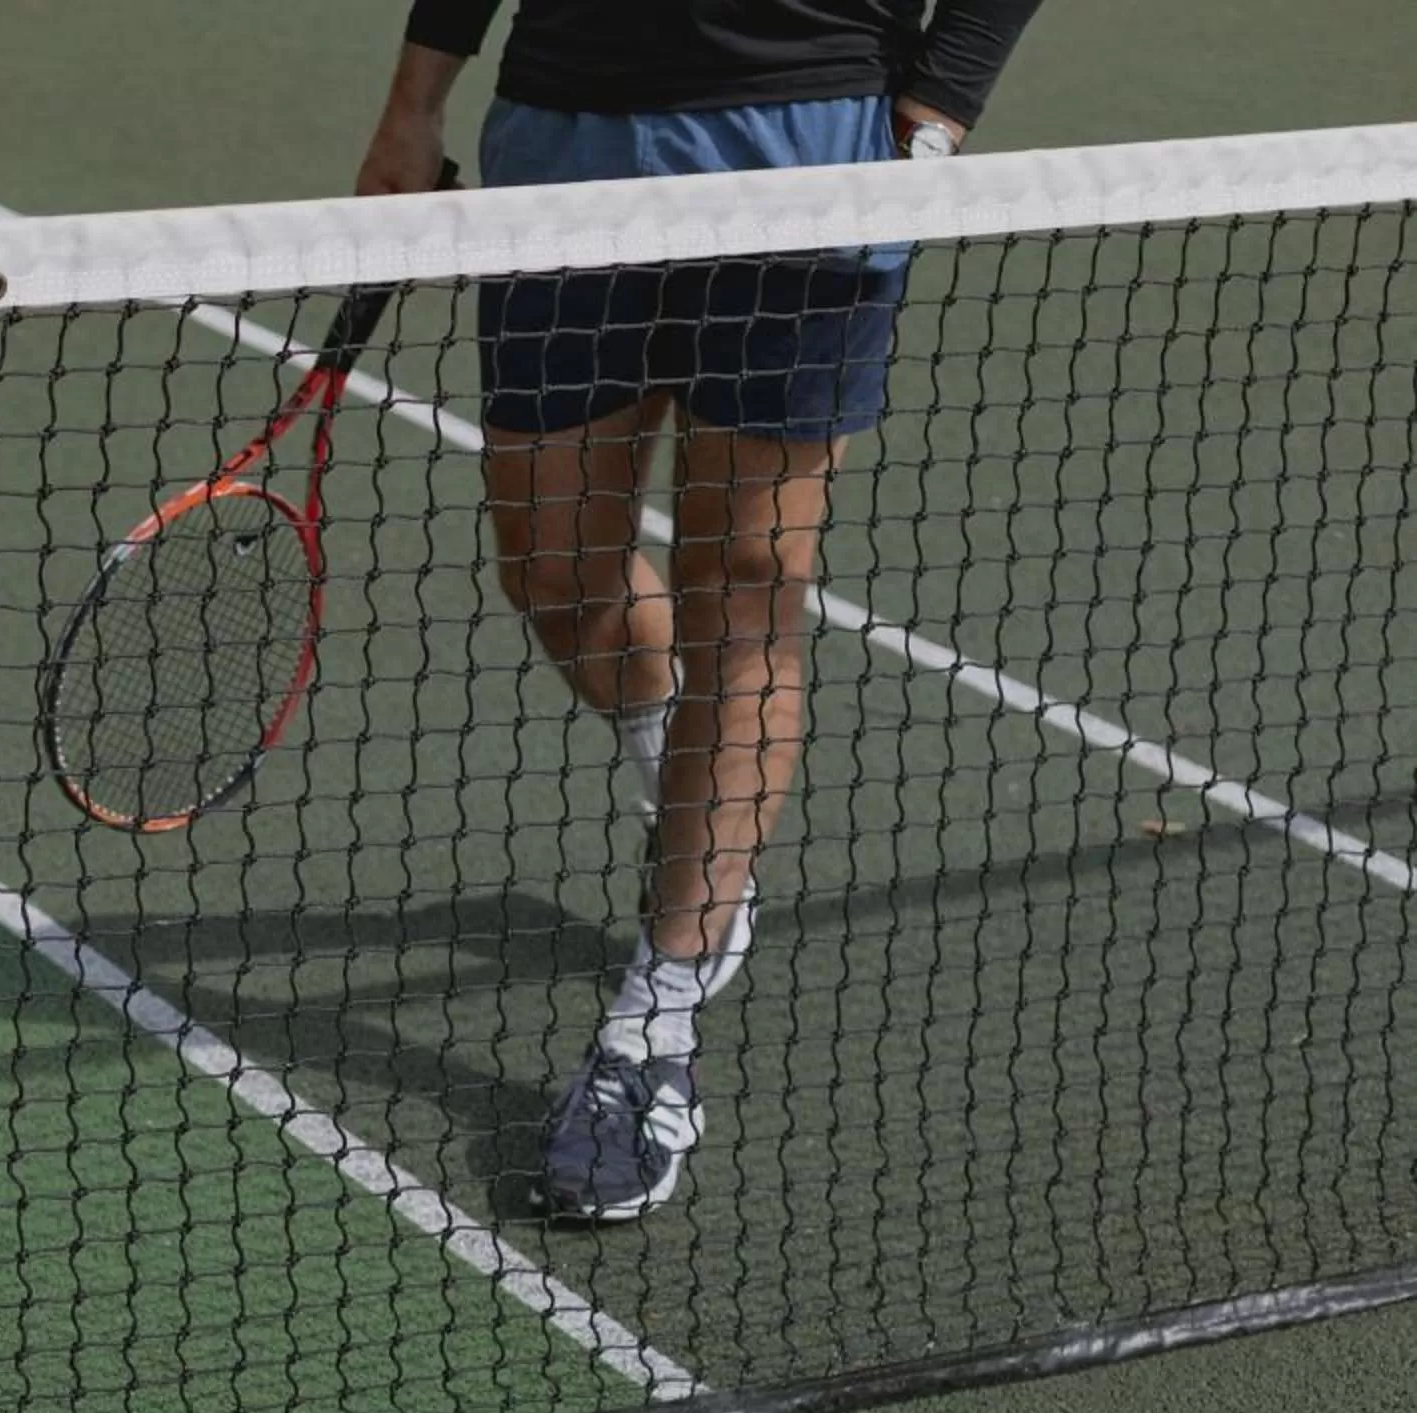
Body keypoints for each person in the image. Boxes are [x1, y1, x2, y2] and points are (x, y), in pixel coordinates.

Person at [356, 0, 1043, 1221]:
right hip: (566, 143)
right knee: (554, 567)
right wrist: (416, 102)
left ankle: (656, 1021)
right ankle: (688, 781)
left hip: (809, 146)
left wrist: (937, 112)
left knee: (748, 583)